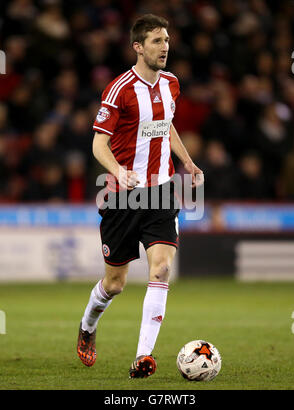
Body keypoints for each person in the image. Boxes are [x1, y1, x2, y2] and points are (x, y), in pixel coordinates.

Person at [77, 14, 204, 378]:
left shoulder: (172, 84)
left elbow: (167, 127)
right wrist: (119, 171)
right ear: (138, 47)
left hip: (162, 191)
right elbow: (98, 144)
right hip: (122, 196)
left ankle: (144, 356)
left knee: (162, 268)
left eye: (167, 40)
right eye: (156, 41)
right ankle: (87, 326)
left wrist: (188, 162)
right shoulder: (119, 89)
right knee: (114, 284)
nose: (165, 47)